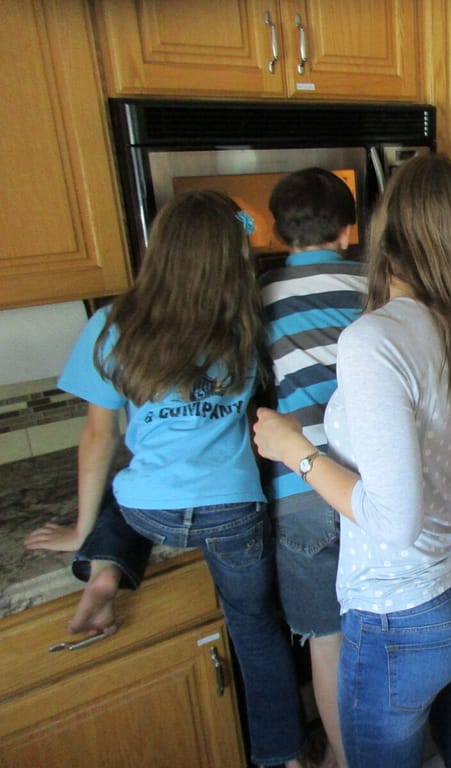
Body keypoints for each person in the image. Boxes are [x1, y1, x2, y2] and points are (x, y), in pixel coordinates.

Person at [24, 190, 306, 768]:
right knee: (255, 631)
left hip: (149, 511)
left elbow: (98, 439)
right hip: (232, 510)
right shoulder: (246, 323)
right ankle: (285, 758)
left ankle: (106, 572)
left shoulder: (112, 324)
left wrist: (82, 530)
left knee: (124, 488)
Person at [252, 154, 451, 768]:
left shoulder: (375, 339)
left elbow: (393, 523)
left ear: (385, 231)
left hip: (403, 611)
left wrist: (295, 451)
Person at [261, 167, 368, 768]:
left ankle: (344, 758)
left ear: (279, 235)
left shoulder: (261, 297)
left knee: (327, 645)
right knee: (376, 634)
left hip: (298, 490)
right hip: (366, 486)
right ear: (349, 230)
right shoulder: (375, 283)